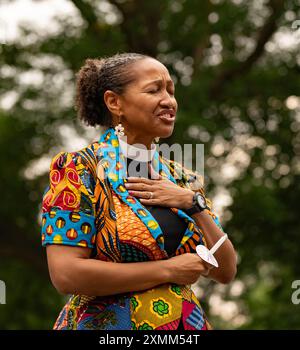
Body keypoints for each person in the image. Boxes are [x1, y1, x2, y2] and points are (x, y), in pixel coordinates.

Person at [41, 52, 237, 330]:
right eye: (154, 89)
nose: (169, 100)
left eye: (171, 90)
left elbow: (225, 270)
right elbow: (66, 274)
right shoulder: (80, 169)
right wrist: (168, 270)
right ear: (114, 102)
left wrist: (194, 205)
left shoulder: (183, 178)